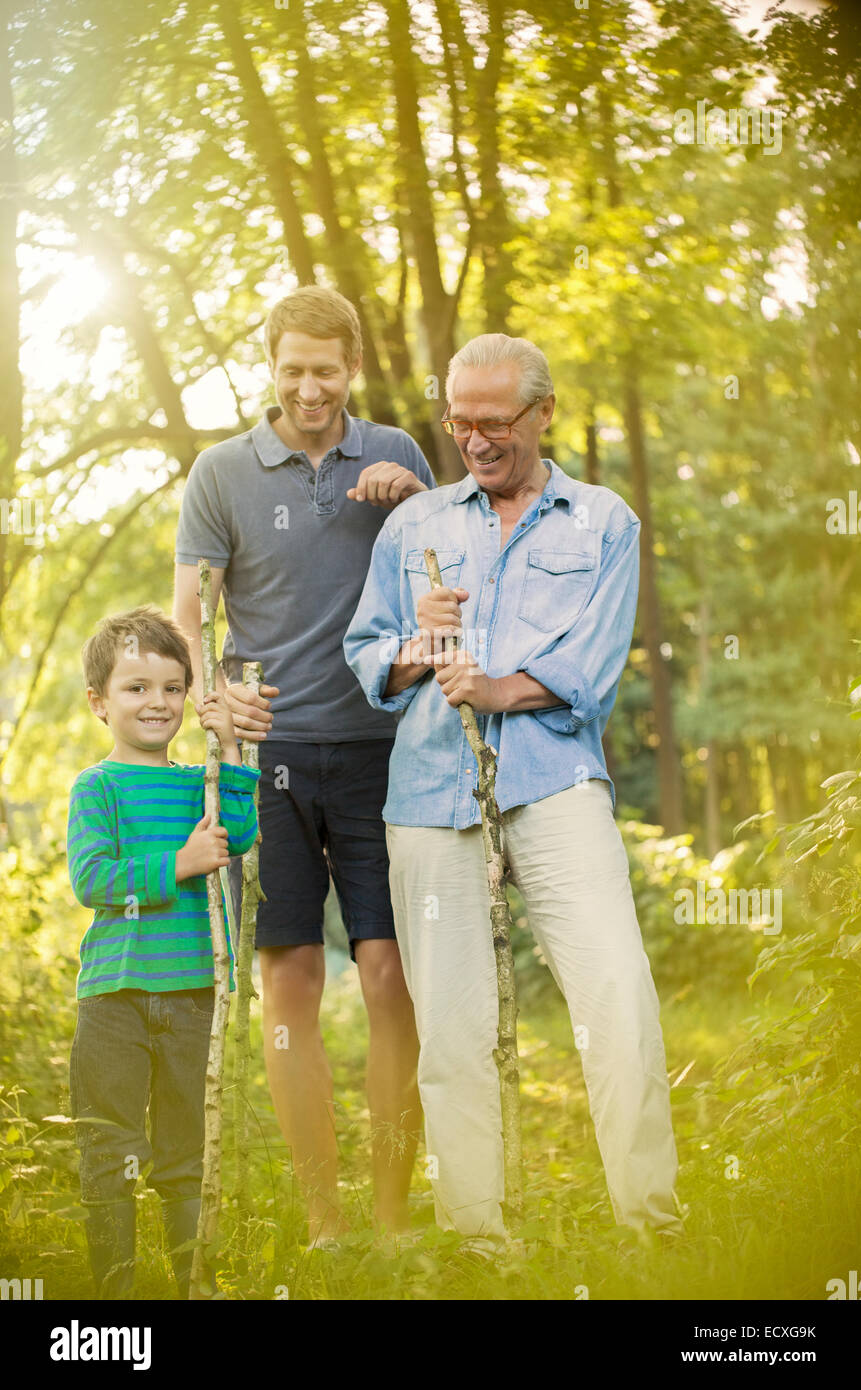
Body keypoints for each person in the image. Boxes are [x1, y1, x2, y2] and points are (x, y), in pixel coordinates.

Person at [344, 332, 684, 1245]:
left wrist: (495, 687)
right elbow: (365, 652)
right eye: (460, 423)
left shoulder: (604, 522)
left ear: (543, 413)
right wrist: (421, 643)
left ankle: (653, 1229)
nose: (477, 440)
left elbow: (593, 669)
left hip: (554, 783)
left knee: (617, 996)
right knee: (451, 1034)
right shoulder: (414, 527)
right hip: (428, 795)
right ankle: (478, 1242)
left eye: (496, 422)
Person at [173, 286, 433, 1245]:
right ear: (269, 366)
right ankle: (326, 1218)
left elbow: (449, 574)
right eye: (293, 370)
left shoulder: (397, 454)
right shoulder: (220, 472)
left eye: (327, 370)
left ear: (351, 369)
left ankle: (395, 1213)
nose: (311, 387)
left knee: (387, 976)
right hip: (271, 759)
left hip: (382, 752)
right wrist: (212, 698)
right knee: (289, 984)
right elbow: (190, 615)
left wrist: (420, 505)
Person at [67, 605, 259, 1298]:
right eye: (137, 688)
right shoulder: (98, 787)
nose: (158, 703)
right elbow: (94, 880)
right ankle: (116, 1292)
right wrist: (177, 863)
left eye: (173, 688)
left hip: (190, 994)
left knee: (185, 1154)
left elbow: (236, 831)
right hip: (114, 1000)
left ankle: (190, 1283)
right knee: (110, 1146)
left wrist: (229, 748)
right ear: (100, 702)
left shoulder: (193, 784)